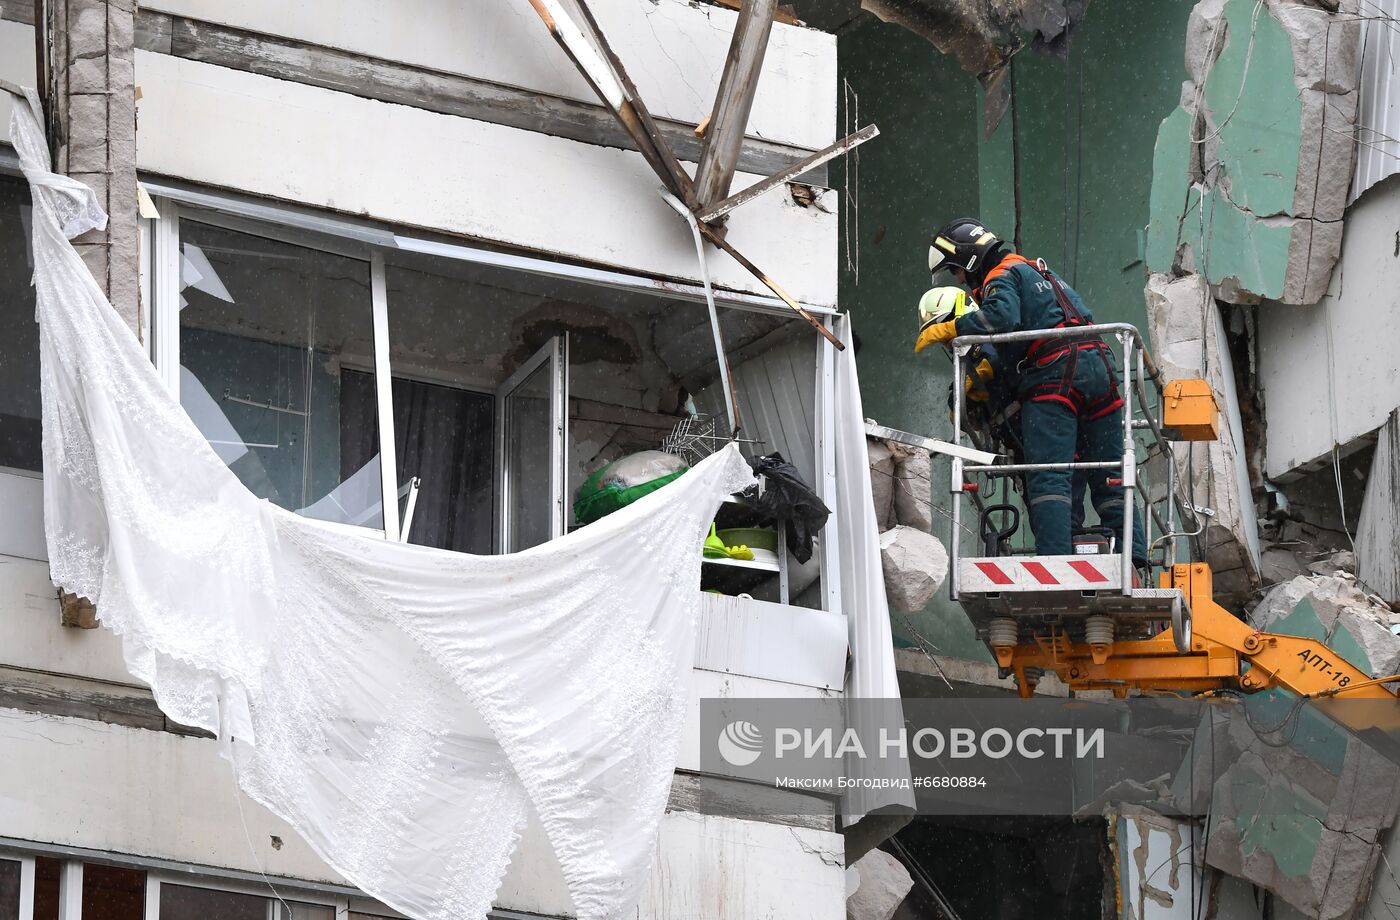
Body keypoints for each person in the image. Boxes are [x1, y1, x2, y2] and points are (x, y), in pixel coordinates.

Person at [914, 218, 1147, 565]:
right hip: (1100, 367)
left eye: (956, 270)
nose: (960, 279)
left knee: (1049, 477)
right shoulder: (1040, 272)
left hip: (1057, 374)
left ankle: (1056, 567)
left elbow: (1001, 318)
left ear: (970, 260)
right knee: (1111, 474)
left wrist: (954, 329)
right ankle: (1136, 557)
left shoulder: (1000, 275)